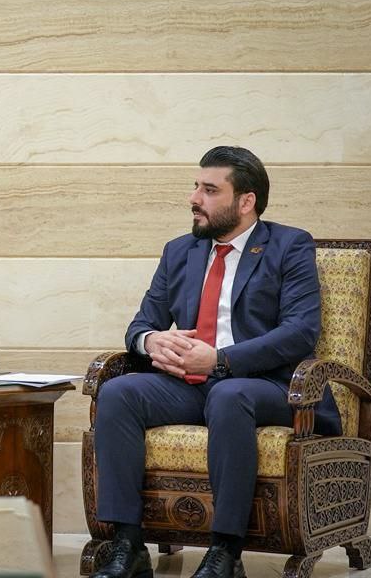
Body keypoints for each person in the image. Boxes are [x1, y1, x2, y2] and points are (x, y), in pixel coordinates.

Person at [89, 146, 341, 578]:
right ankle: (127, 545)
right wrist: (152, 341)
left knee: (228, 395)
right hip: (192, 386)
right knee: (118, 392)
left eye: (209, 190)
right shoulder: (180, 251)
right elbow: (141, 323)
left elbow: (300, 331)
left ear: (246, 201)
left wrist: (220, 360)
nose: (194, 198)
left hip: (272, 387)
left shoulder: (288, 245)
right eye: (196, 187)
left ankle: (226, 551)